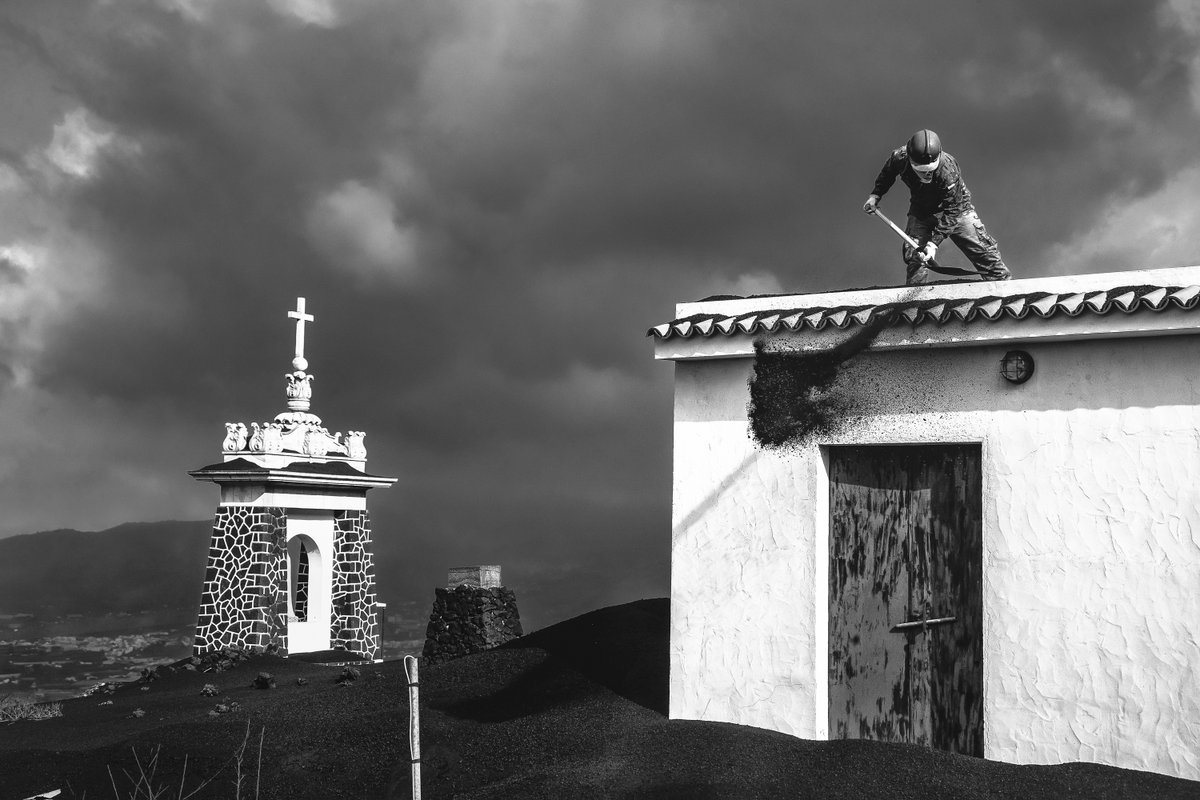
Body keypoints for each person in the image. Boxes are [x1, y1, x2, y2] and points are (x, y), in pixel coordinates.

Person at [863, 129, 1010, 284]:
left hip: (958, 211)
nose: (928, 175)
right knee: (917, 257)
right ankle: (915, 300)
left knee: (986, 255)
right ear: (912, 162)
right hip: (921, 211)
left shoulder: (948, 170)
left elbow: (953, 210)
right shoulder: (899, 157)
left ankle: (1005, 289)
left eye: (931, 170)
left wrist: (933, 244)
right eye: (923, 171)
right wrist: (875, 196)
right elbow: (887, 174)